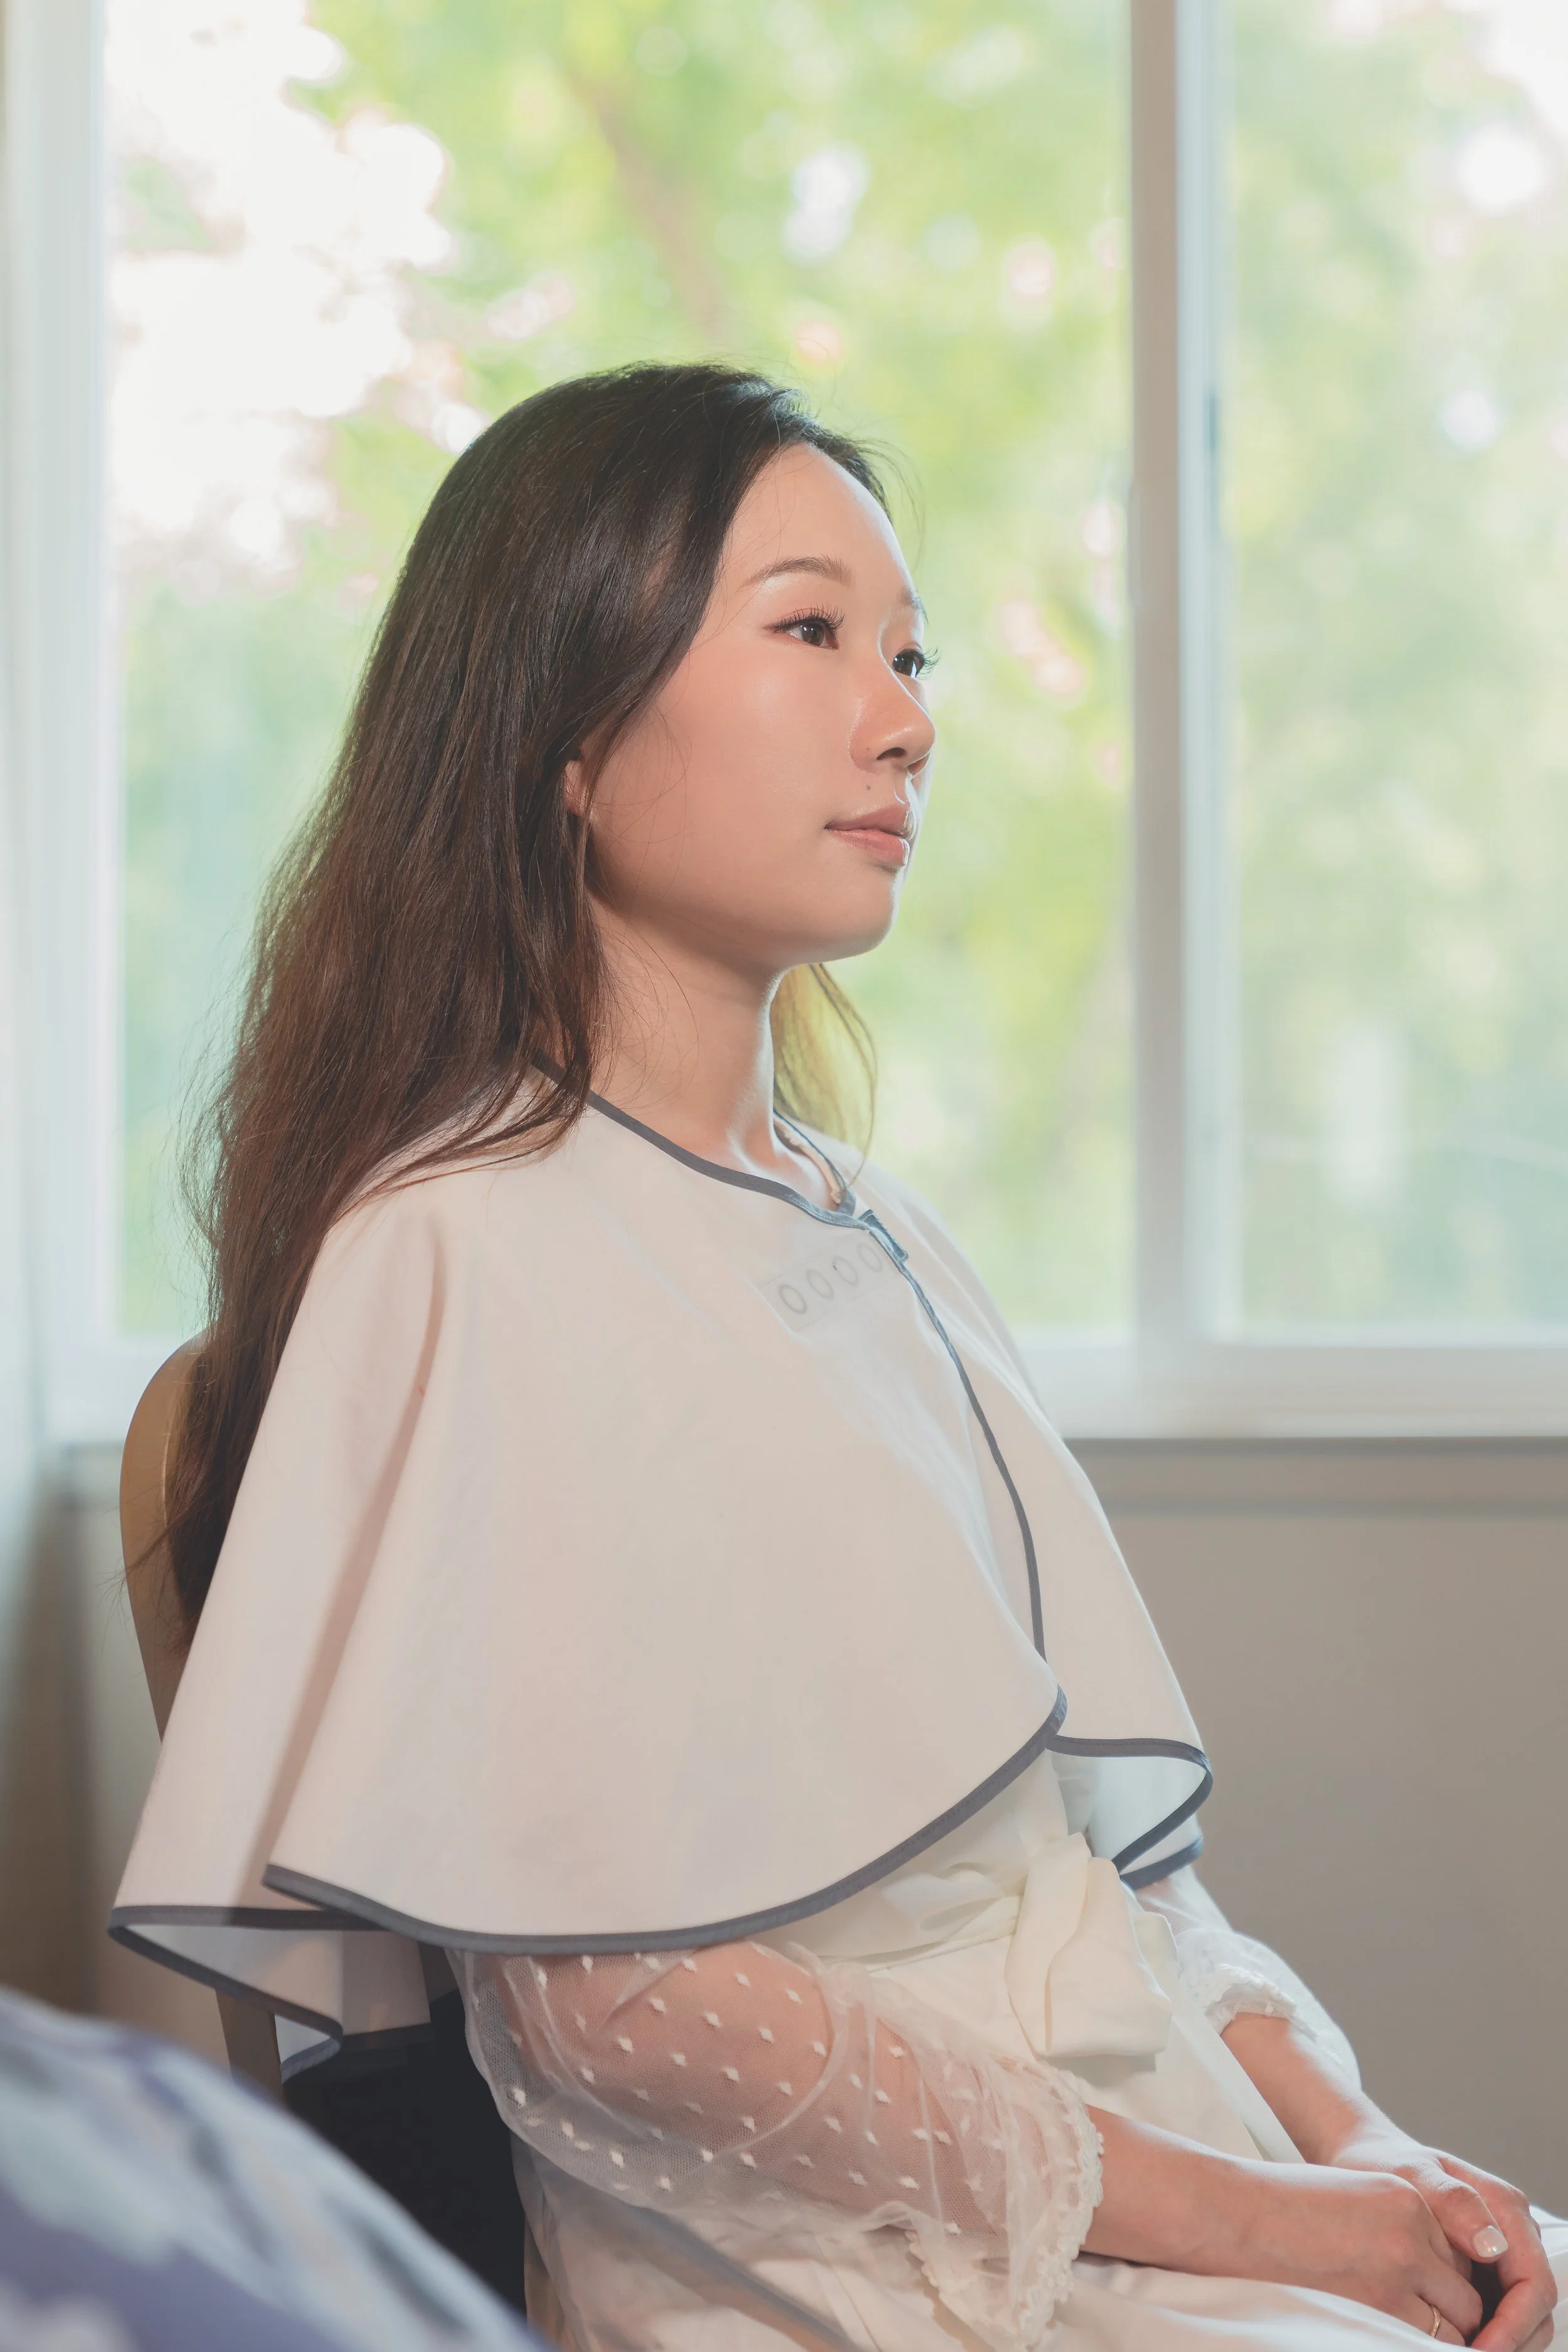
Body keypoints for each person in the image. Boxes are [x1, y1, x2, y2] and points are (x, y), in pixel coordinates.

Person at [113, 364, 1562, 2352]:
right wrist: (1269, 2229)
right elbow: (614, 2008)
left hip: (1175, 2168)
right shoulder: (458, 1245)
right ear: (557, 722)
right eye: (809, 631)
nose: (906, 716)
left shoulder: (881, 1232)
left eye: (906, 652)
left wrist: (1365, 2148)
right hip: (824, 2257)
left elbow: (1093, 1868)